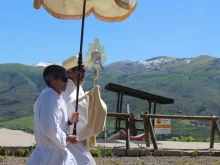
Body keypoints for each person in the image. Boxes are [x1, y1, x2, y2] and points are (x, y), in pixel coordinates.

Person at [27, 65, 80, 165]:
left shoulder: (56, 98)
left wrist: (69, 121)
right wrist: (66, 137)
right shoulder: (48, 99)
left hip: (53, 154)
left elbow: (55, 123)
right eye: (64, 79)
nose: (67, 82)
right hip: (50, 157)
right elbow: (48, 128)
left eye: (67, 79)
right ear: (52, 79)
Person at [62, 56, 97, 165]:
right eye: (81, 70)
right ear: (70, 72)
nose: (84, 74)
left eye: (84, 70)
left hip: (79, 138)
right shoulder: (66, 90)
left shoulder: (78, 88)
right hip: (70, 139)